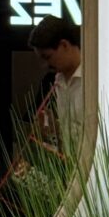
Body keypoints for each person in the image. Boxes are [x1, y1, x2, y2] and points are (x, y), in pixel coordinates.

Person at [28, 15, 82, 152]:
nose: (45, 65)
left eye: (47, 57)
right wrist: (54, 129)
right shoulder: (58, 81)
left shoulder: (96, 79)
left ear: (64, 45)